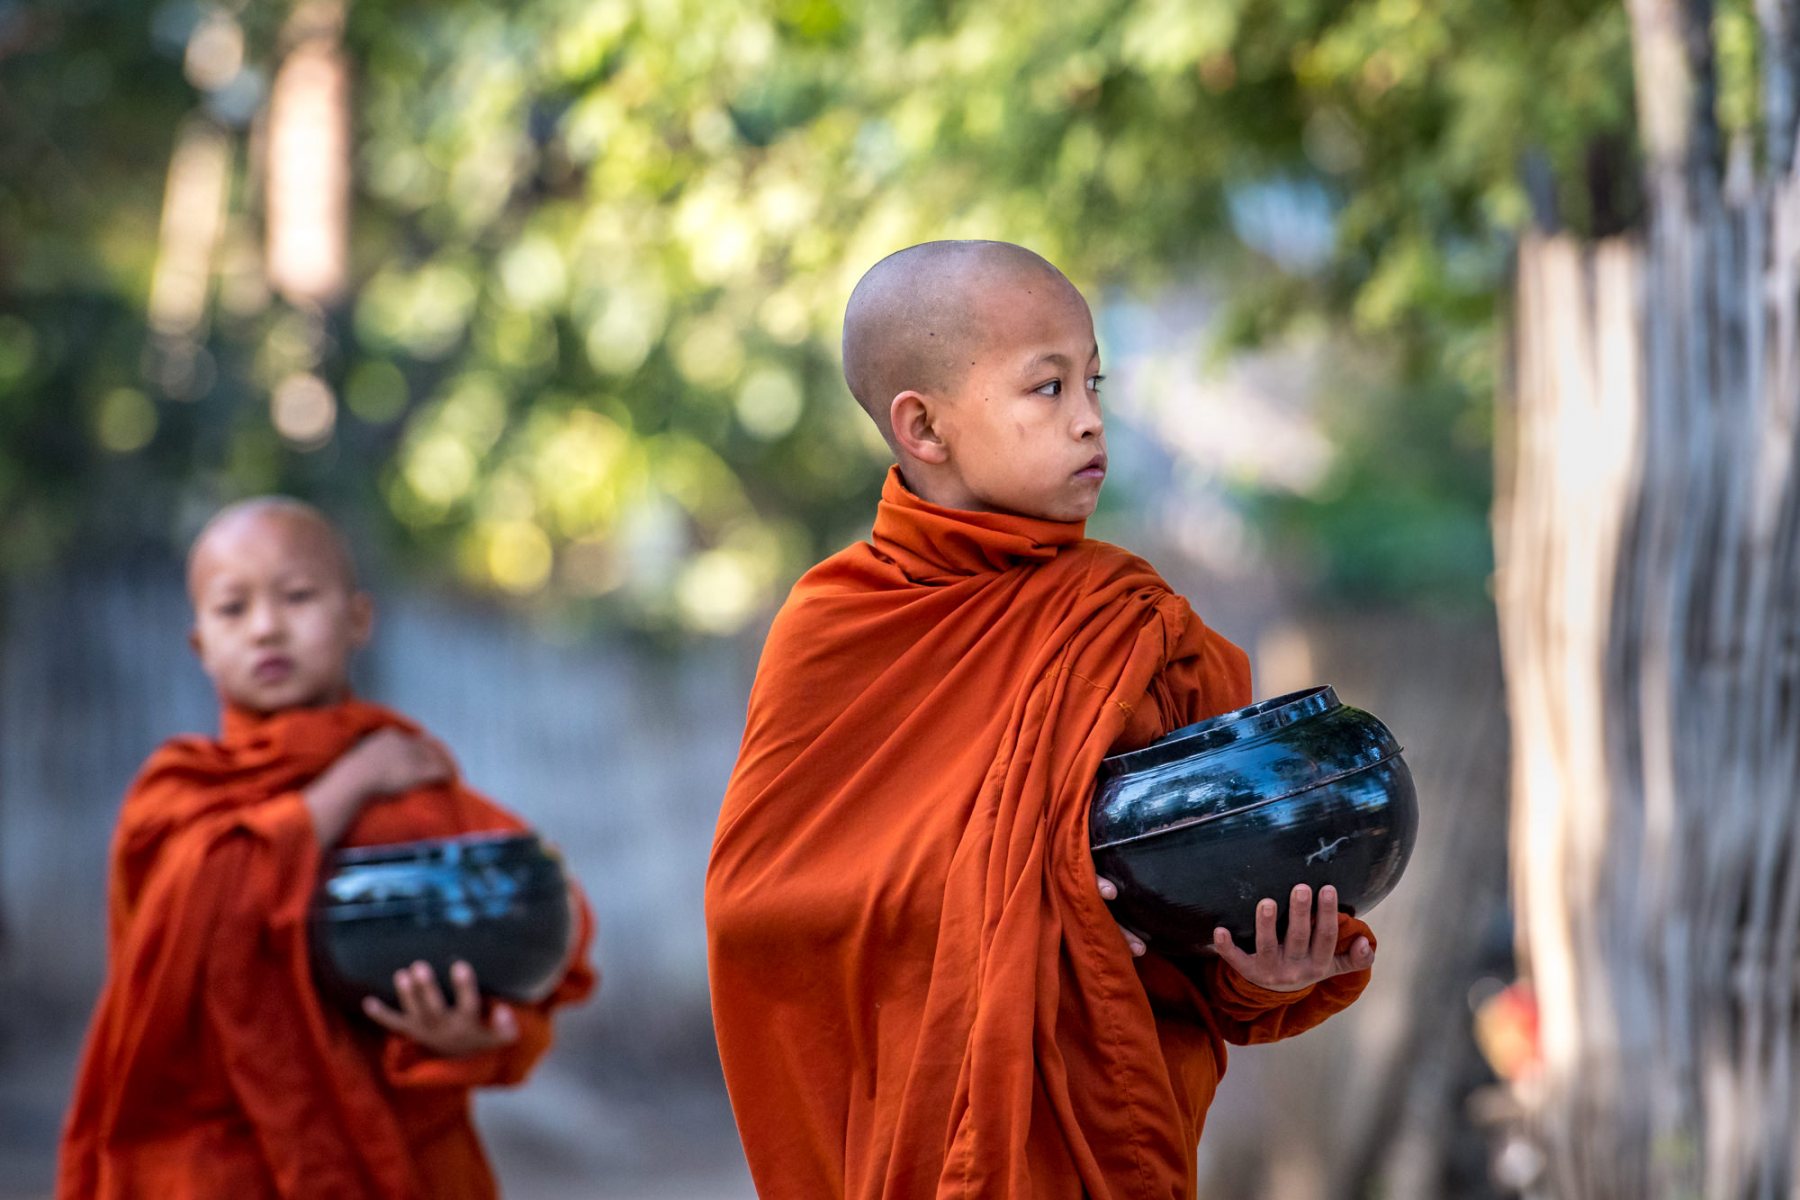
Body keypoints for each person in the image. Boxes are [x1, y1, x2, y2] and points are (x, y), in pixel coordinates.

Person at [705, 240, 1378, 1198]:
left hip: (1091, 1140)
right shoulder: (836, 626)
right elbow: (758, 918)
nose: (1091, 419)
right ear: (923, 427)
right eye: (1047, 388)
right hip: (908, 1142)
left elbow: (1226, 896)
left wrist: (1271, 970)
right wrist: (1037, 901)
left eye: (1093, 382)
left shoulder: (1138, 624)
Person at [57, 497, 597, 1199]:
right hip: (218, 1159)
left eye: (298, 596)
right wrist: (344, 789)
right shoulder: (178, 794)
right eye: (232, 608)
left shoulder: (410, 778)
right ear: (200, 646)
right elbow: (194, 911)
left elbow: (540, 918)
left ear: (358, 619)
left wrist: (481, 1032)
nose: (266, 627)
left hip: (399, 1152)